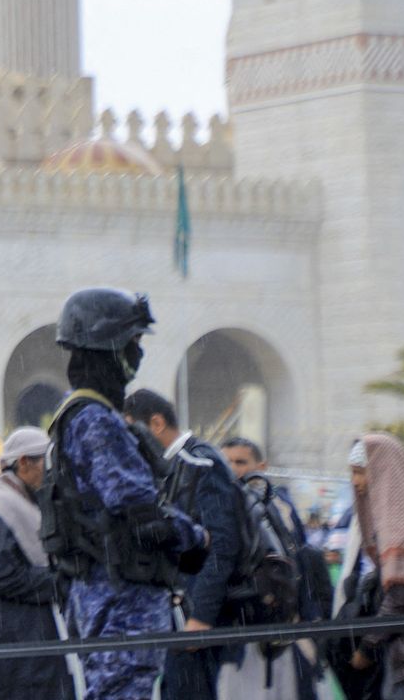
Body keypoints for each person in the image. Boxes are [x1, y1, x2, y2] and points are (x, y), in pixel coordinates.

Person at [40, 288, 207, 700]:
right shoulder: (96, 420)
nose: (138, 353)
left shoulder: (79, 413)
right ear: (108, 346)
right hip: (120, 595)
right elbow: (138, 512)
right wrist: (194, 537)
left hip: (102, 587)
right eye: (132, 343)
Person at [123, 389, 245, 700]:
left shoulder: (200, 462)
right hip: (175, 614)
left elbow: (222, 543)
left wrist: (200, 615)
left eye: (132, 429)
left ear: (157, 423)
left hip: (196, 617)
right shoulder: (168, 465)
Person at [0, 427, 71, 700]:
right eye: (45, 462)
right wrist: (58, 581)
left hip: (23, 645)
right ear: (23, 463)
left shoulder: (25, 501)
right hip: (2, 646)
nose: (51, 471)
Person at [217, 437, 323, 700]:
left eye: (241, 462)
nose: (233, 469)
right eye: (226, 462)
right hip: (239, 632)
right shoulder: (220, 508)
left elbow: (298, 564)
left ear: (261, 466)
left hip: (282, 627)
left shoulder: (280, 508)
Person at [344, 433, 404, 698]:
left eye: (360, 472)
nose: (356, 482)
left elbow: (401, 596)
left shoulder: (402, 526)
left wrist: (367, 648)